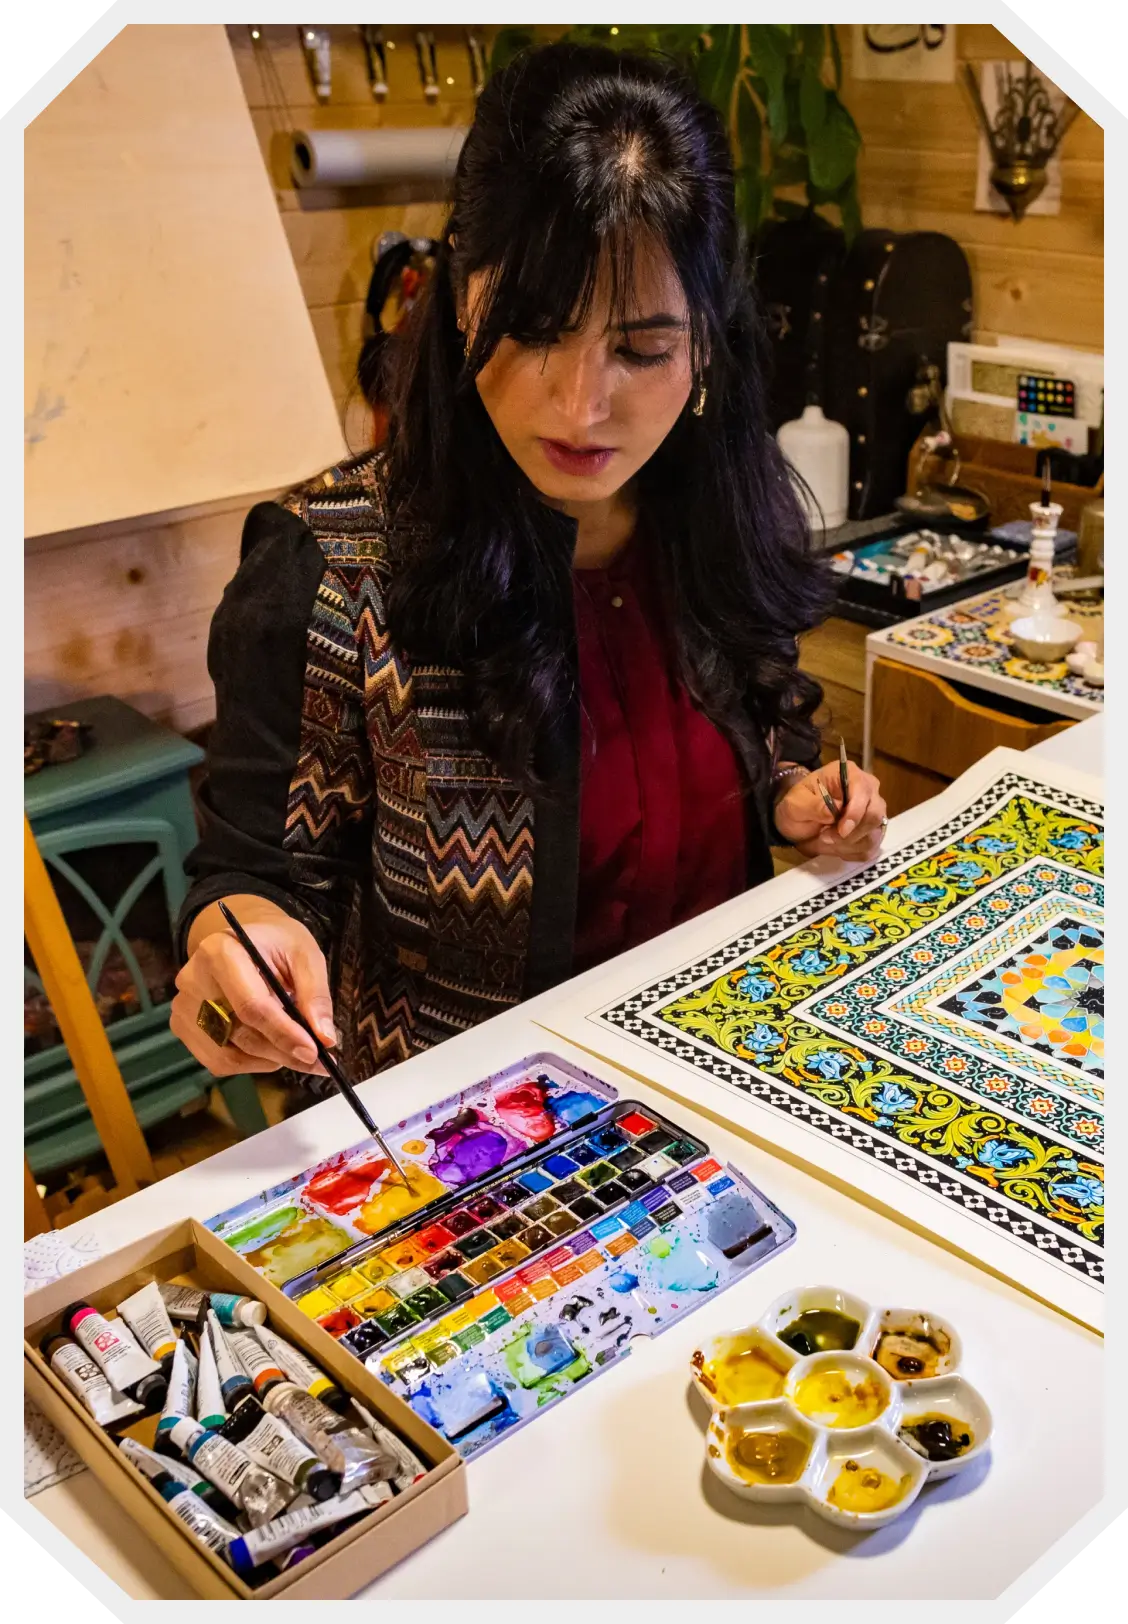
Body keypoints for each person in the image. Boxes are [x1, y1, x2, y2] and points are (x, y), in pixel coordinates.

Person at [171, 41, 886, 1094]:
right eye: (537, 328)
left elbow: (762, 704)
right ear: (464, 294)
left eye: (642, 349)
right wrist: (240, 951)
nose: (581, 405)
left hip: (723, 1084)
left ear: (705, 347)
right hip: (478, 1152)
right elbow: (257, 876)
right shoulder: (330, 572)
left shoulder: (711, 513)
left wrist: (789, 789)